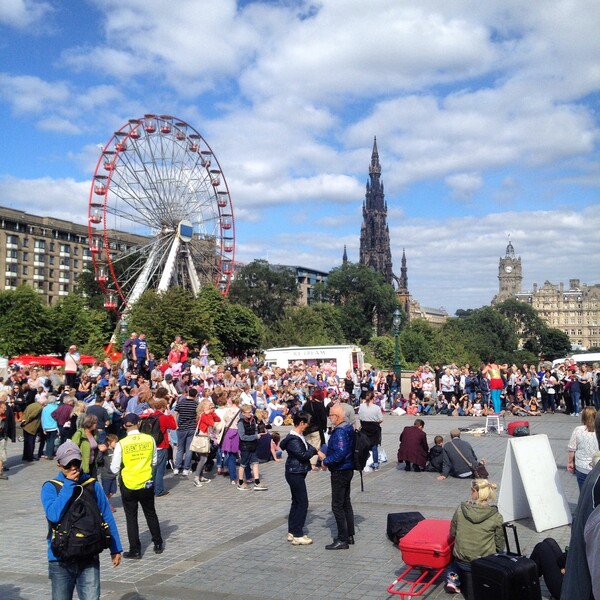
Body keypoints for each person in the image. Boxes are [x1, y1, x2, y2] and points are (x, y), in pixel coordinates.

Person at [41, 440, 122, 599]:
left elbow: (106, 515)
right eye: (67, 465)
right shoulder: (50, 487)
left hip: (88, 554)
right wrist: (69, 485)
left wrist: (115, 548)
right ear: (59, 465)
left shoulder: (91, 485)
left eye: (76, 463)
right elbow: (53, 515)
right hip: (60, 559)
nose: (73, 468)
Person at [110, 413, 163, 558]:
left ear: (124, 426)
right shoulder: (149, 439)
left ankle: (135, 549)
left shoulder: (122, 443)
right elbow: (154, 461)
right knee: (150, 512)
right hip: (146, 481)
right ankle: (158, 543)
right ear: (138, 424)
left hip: (129, 483)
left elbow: (114, 469)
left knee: (131, 517)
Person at [445, 479, 504, 595]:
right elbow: (499, 542)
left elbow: (452, 533)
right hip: (485, 563)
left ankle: (453, 580)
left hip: (463, 562)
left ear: (474, 491)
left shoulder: (461, 509)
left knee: (454, 562)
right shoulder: (496, 516)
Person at [317, 403, 355, 550]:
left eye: (331, 415)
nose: (329, 417)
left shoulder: (339, 431)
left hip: (340, 470)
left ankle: (342, 539)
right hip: (348, 468)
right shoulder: (348, 427)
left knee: (337, 506)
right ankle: (349, 534)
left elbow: (340, 452)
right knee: (346, 503)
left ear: (337, 416)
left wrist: (326, 461)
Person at [280, 412, 318, 545]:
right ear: (301, 423)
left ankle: (292, 531)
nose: (307, 426)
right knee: (302, 503)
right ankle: (298, 534)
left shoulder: (299, 436)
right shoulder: (293, 439)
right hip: (294, 473)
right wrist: (314, 452)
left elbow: (308, 446)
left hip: (297, 472)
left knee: (296, 502)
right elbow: (303, 455)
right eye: (306, 424)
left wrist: (317, 450)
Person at [236, 404, 268, 491]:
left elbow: (255, 431)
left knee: (255, 462)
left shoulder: (253, 420)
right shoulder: (240, 422)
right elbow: (242, 436)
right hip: (245, 446)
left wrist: (256, 436)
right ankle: (240, 482)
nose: (250, 414)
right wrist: (255, 437)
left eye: (251, 412)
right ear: (243, 413)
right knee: (243, 464)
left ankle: (257, 482)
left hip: (253, 445)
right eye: (248, 412)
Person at [567, 406, 599, 491]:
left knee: (583, 492)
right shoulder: (598, 429)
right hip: (597, 467)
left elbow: (572, 448)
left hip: (582, 467)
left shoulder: (578, 430)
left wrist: (570, 462)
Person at [193, 399, 220, 488]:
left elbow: (218, 419)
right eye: (208, 405)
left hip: (205, 438)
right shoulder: (204, 415)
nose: (210, 407)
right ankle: (196, 478)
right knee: (203, 459)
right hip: (202, 438)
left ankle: (200, 476)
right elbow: (211, 423)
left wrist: (213, 412)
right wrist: (208, 414)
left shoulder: (207, 414)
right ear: (203, 407)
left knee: (203, 458)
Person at [173, 387, 199, 476]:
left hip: (181, 428)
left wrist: (176, 425)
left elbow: (175, 414)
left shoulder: (181, 403)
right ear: (195, 395)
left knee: (180, 448)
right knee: (189, 449)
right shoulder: (196, 404)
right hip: (191, 428)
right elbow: (197, 417)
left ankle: (176, 467)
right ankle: (186, 469)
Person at [358, 391, 383, 470]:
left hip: (364, 428)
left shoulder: (361, 406)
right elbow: (381, 419)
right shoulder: (376, 408)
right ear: (373, 398)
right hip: (374, 429)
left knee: (363, 446)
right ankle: (375, 464)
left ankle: (362, 462)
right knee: (374, 447)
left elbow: (360, 417)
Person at [0, 396, 16, 479]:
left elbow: (10, 424)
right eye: (3, 408)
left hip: (2, 437)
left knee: (2, 455)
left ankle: (0, 472)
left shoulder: (4, 416)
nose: (5, 410)